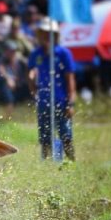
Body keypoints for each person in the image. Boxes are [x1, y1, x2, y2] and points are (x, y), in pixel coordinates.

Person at [28, 18, 77, 160]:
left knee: (66, 136)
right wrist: (34, 91)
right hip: (43, 102)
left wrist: (71, 103)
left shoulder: (63, 53)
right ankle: (46, 166)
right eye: (42, 33)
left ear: (55, 35)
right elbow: (30, 74)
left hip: (62, 103)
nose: (45, 36)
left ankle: (72, 163)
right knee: (45, 138)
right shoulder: (35, 54)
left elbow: (70, 80)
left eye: (48, 33)